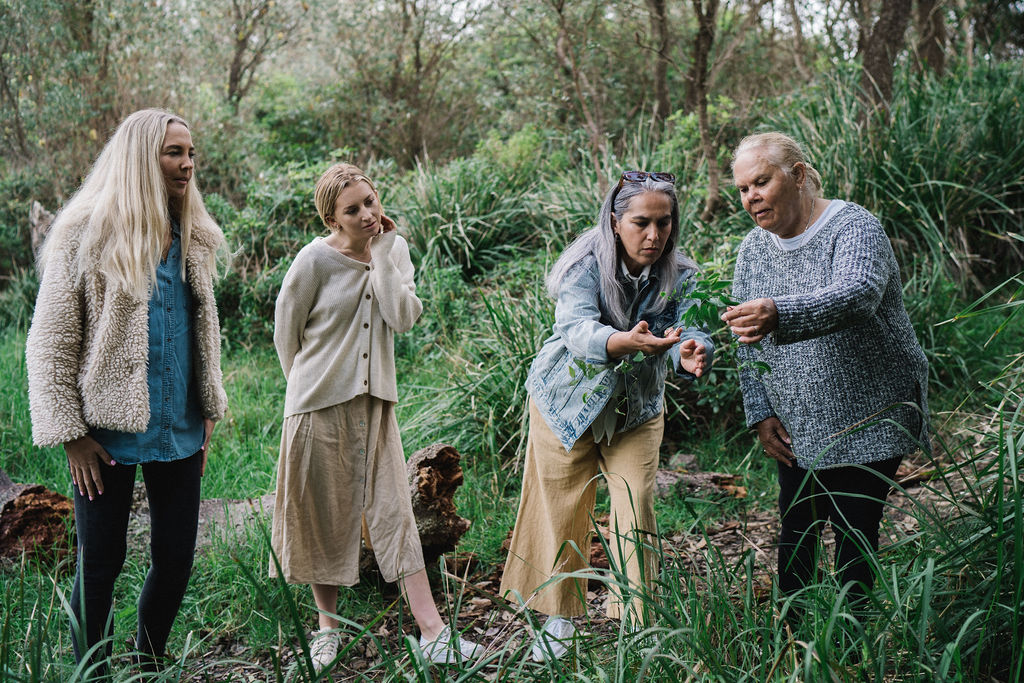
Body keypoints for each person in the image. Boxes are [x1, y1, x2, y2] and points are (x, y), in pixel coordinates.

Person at [26, 109, 228, 676]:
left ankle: (148, 662)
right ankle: (93, 671)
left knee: (175, 558)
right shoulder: (84, 232)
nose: (187, 164)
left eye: (191, 153)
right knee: (101, 564)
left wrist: (208, 404)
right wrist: (69, 436)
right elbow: (49, 343)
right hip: (104, 435)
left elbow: (202, 326)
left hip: (179, 426)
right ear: (143, 156)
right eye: (174, 153)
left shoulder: (192, 231)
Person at [270, 163, 482, 671]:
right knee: (326, 514)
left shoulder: (394, 249)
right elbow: (286, 334)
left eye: (371, 201)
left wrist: (385, 254)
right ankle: (327, 632)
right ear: (332, 218)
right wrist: (308, 388)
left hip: (375, 404)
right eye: (352, 209)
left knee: (395, 512)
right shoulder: (313, 261)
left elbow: (403, 317)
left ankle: (432, 632)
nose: (367, 214)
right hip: (318, 406)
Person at [500, 171, 713, 661]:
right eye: (642, 222)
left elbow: (695, 327)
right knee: (561, 506)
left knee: (635, 503)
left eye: (664, 223)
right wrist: (623, 342)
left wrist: (693, 350)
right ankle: (560, 618)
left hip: (635, 410)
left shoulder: (682, 273)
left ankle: (639, 619)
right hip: (565, 403)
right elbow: (576, 329)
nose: (654, 236)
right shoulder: (584, 265)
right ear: (616, 223)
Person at [721, 131, 929, 616]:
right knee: (797, 525)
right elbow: (743, 331)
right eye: (742, 189)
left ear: (796, 176)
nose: (751, 198)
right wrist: (760, 410)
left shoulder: (853, 226)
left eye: (760, 182)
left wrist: (780, 313)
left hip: (869, 411)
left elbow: (857, 295)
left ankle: (852, 644)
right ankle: (792, 636)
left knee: (855, 528)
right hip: (795, 418)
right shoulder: (754, 248)